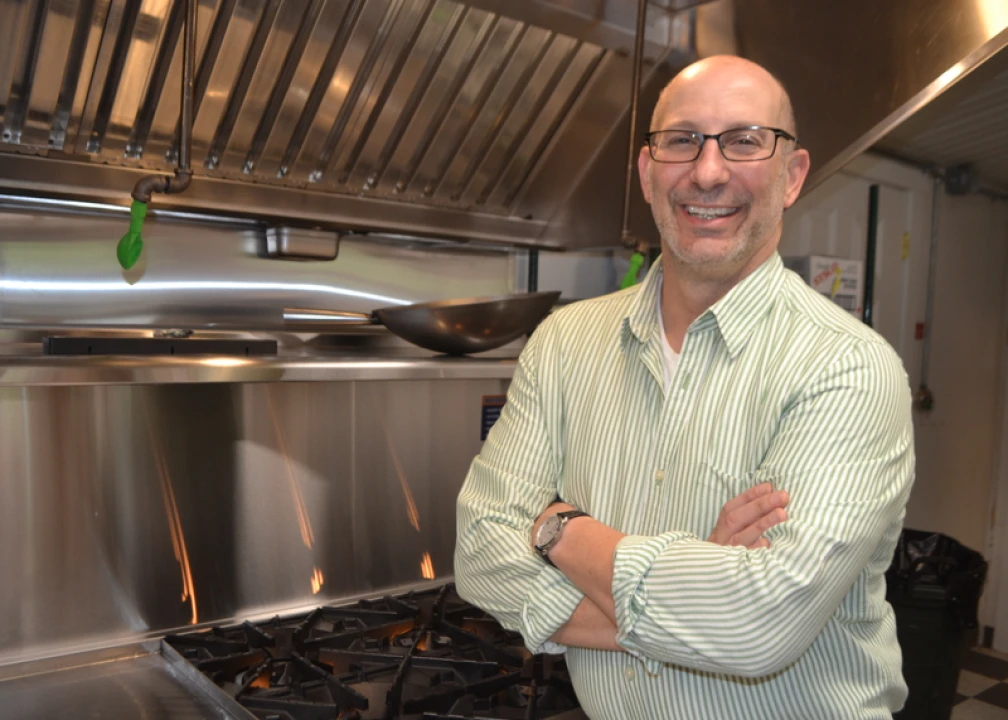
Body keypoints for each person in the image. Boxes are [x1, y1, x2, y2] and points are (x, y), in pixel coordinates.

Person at [454, 54, 915, 719]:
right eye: (682, 140)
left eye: (745, 141)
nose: (708, 171)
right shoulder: (563, 342)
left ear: (792, 176)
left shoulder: (846, 367)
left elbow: (756, 626)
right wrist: (694, 593)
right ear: (648, 172)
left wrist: (560, 529)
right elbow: (479, 549)